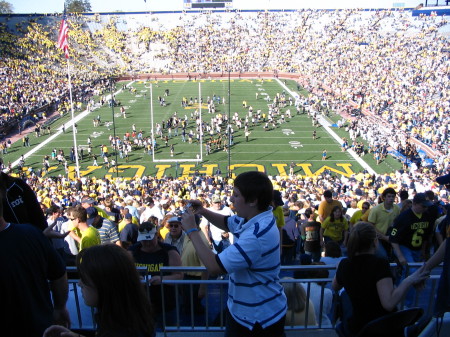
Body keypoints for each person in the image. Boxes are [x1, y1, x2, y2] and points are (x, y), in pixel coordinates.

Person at [180, 171, 287, 337]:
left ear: (252, 201)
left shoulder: (257, 236)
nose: (231, 199)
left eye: (236, 195)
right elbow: (226, 223)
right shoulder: (255, 217)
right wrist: (203, 211)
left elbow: (214, 267)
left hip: (257, 319)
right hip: (247, 310)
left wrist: (192, 230)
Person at [333, 222, 430, 336]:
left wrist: (340, 270)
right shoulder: (379, 264)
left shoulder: (344, 264)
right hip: (381, 326)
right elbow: (388, 304)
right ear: (375, 241)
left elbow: (335, 286)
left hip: (358, 326)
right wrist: (408, 281)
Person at [44, 244, 155, 337]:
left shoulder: (119, 329)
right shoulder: (127, 318)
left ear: (105, 283)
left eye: (84, 279)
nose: (79, 284)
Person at [0, 191, 70, 337]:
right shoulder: (32, 234)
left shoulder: (32, 234)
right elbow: (59, 274)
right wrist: (60, 306)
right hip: (41, 326)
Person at [129, 221, 183, 326]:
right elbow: (124, 275)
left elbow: (179, 276)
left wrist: (162, 279)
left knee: (168, 331)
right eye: (144, 240)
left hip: (166, 304)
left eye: (150, 239)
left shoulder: (170, 251)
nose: (148, 243)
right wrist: (135, 278)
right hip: (140, 304)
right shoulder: (132, 252)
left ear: (156, 236)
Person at [365, 187, 400, 260]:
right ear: (384, 197)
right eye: (389, 196)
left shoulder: (397, 208)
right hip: (378, 237)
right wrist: (382, 235)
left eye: (393, 196)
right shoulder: (376, 210)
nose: (391, 198)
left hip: (391, 236)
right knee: (382, 256)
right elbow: (371, 225)